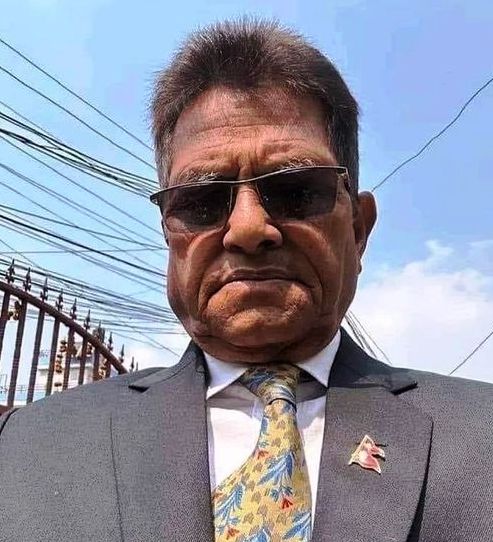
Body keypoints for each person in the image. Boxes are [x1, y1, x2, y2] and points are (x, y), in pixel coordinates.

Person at [0, 19, 492, 542]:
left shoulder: (480, 435)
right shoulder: (27, 450)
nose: (248, 228)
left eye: (296, 191)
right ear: (169, 233)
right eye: (202, 201)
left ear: (358, 229)